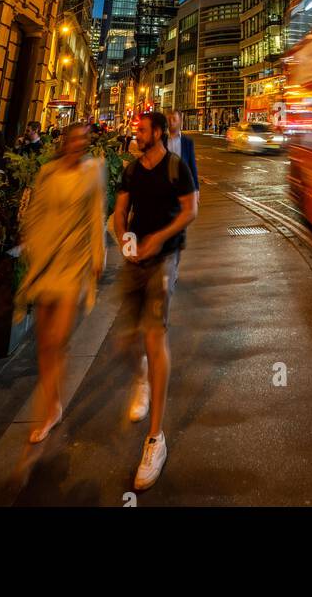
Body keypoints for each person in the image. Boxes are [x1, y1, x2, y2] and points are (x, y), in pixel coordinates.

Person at [112, 110, 197, 490]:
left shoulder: (177, 167)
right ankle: (141, 379)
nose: (137, 133)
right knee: (126, 340)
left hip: (165, 258)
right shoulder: (131, 170)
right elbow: (119, 212)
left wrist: (160, 238)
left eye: (142, 130)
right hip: (135, 258)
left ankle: (155, 439)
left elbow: (191, 210)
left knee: (153, 335)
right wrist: (122, 237)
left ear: (158, 133)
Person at [16, 122, 106, 445]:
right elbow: (35, 215)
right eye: (75, 139)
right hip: (46, 261)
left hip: (74, 262)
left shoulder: (94, 171)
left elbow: (96, 214)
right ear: (64, 143)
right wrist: (31, 248)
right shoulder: (48, 173)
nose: (80, 144)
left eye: (85, 140)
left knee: (57, 337)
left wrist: (98, 256)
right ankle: (52, 405)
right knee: (44, 340)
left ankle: (51, 403)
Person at [167, 110, 200, 194]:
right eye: (169, 119)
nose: (171, 122)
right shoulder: (162, 141)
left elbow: (192, 166)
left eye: (174, 119)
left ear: (180, 121)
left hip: (183, 187)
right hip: (165, 187)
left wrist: (196, 189)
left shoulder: (187, 142)